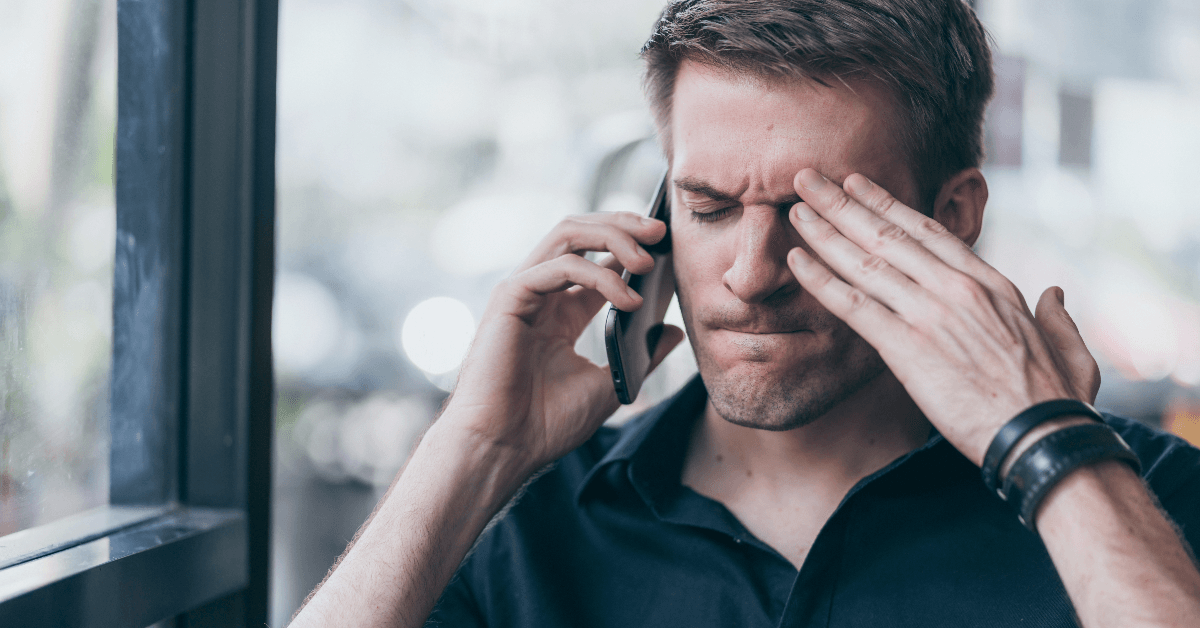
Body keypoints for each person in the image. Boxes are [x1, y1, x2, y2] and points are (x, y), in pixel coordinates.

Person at [290, 1, 1200, 626]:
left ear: (951, 219)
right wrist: (472, 449)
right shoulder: (531, 530)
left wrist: (1049, 451)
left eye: (815, 215)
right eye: (711, 208)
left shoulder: (1147, 506)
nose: (752, 274)